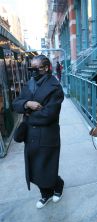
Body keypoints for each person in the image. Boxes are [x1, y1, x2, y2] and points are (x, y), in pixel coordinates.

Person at [13, 54, 64, 209]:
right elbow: (16, 103)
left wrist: (28, 114)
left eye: (37, 68)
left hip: (48, 135)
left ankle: (58, 185)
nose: (34, 72)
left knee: (47, 167)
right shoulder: (30, 83)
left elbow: (49, 115)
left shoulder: (55, 87)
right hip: (31, 137)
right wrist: (28, 103)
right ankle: (45, 194)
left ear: (47, 68)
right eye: (32, 69)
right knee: (35, 169)